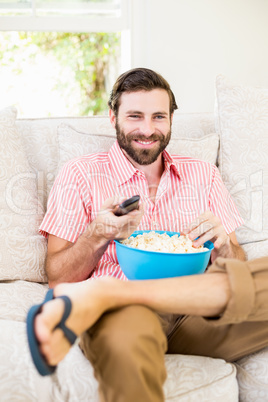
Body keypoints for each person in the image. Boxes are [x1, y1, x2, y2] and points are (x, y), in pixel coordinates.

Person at [29, 68, 268, 401]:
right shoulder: (80, 174)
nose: (147, 129)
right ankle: (117, 298)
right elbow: (57, 276)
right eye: (134, 116)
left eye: (158, 116)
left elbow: (238, 262)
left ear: (171, 119)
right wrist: (97, 234)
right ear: (113, 116)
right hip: (129, 319)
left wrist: (224, 246)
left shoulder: (202, 173)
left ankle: (109, 292)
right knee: (126, 346)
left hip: (201, 313)